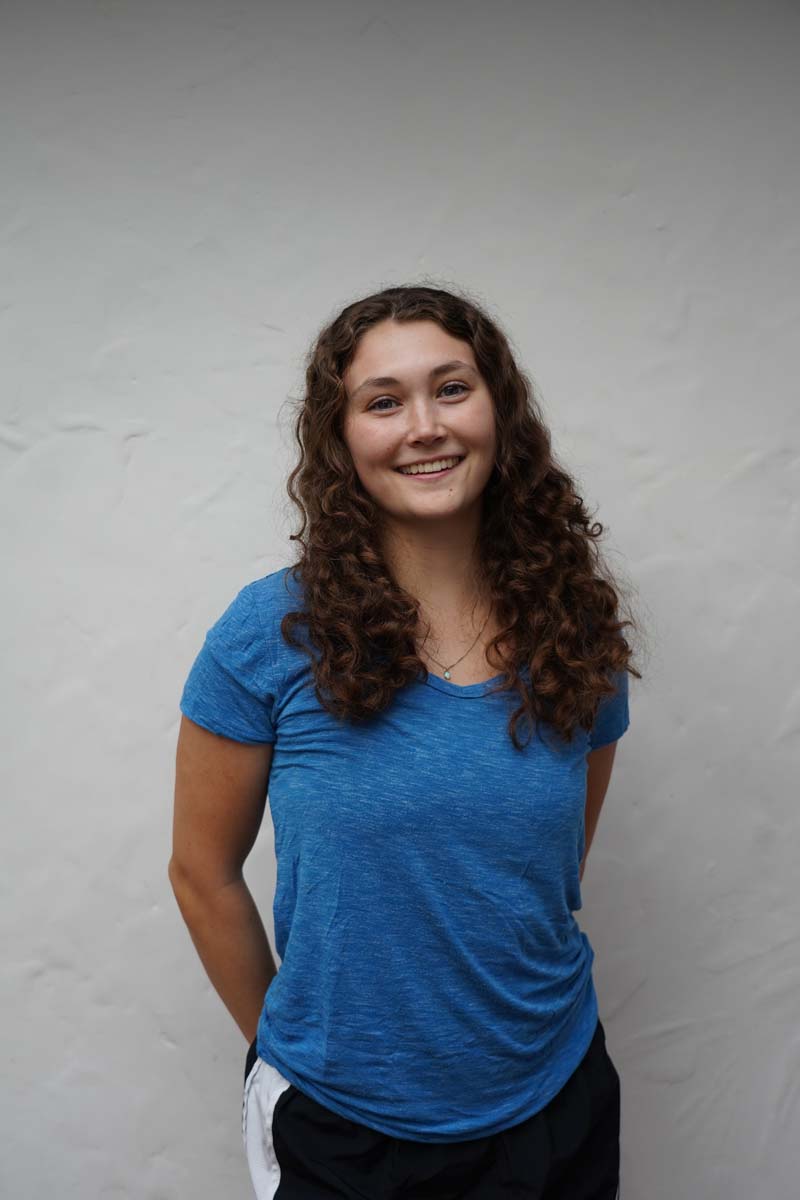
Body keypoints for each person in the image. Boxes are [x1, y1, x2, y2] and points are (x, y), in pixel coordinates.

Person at [170, 283, 641, 1199]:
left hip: (556, 1100)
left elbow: (551, 867)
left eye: (452, 388)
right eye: (384, 401)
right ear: (341, 439)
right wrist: (292, 1048)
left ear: (500, 409)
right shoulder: (271, 632)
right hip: (342, 1129)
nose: (424, 425)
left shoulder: (574, 625)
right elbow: (201, 873)